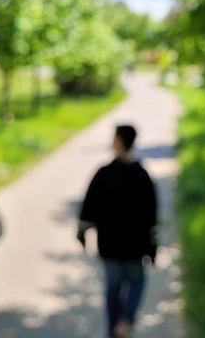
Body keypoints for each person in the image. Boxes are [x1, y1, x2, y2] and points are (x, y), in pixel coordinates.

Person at [77, 124, 158, 338]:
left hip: (109, 246)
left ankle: (113, 331)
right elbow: (151, 216)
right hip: (135, 246)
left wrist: (82, 233)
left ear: (119, 141)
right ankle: (126, 320)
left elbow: (88, 208)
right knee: (137, 284)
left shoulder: (103, 174)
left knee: (112, 290)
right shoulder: (142, 176)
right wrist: (153, 247)